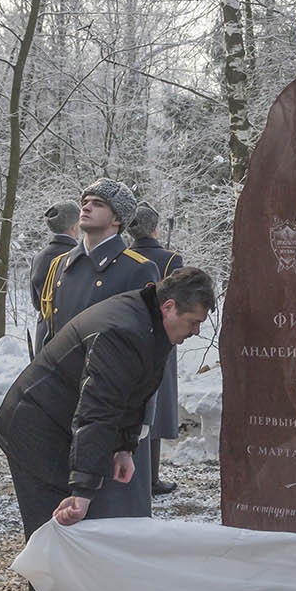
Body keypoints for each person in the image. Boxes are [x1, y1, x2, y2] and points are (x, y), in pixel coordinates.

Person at [0, 267, 216, 591]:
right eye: (194, 321)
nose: (197, 331)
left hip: (64, 423)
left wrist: (125, 446)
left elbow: (135, 391)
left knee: (82, 530)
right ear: (169, 307)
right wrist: (81, 488)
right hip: (34, 426)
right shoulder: (122, 330)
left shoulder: (152, 324)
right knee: (54, 531)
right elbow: (96, 411)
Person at [37, 179, 162, 518]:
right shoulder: (60, 266)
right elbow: (49, 334)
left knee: (115, 509)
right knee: (67, 504)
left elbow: (148, 353)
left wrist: (140, 424)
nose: (86, 207)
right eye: (85, 201)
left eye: (97, 203)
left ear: (117, 218)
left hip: (114, 407)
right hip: (64, 398)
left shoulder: (137, 269)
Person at [126, 202, 185, 495]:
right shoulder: (171, 259)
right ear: (155, 228)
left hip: (128, 339)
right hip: (160, 339)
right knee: (155, 407)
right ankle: (150, 478)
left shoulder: (123, 258)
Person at [28, 200, 79, 353]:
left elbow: (37, 303)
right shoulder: (80, 256)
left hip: (43, 333)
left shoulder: (38, 258)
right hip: (71, 336)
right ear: (74, 226)